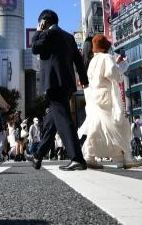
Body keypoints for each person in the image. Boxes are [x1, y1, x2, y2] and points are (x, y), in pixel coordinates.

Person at [27, 10, 89, 171]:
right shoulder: (69, 37)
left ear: (44, 22)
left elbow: (34, 48)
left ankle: (77, 158)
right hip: (67, 83)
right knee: (51, 121)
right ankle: (38, 155)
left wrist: (38, 32)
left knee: (63, 119)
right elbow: (78, 59)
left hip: (53, 83)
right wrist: (84, 79)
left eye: (40, 23)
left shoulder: (48, 34)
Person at [81, 35, 141, 169]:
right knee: (120, 125)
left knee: (97, 127)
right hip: (107, 97)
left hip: (95, 97)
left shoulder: (93, 61)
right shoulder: (107, 58)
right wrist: (122, 65)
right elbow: (114, 75)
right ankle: (127, 156)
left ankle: (93, 155)